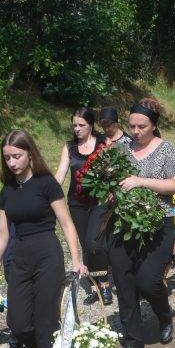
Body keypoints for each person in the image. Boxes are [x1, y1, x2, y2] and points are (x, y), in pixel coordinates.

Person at [0, 130, 87, 348]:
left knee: (45, 323)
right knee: (18, 323)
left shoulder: (46, 185)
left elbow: (66, 224)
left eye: (17, 156)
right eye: (7, 158)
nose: (12, 162)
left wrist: (76, 260)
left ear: (30, 154)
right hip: (19, 258)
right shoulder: (7, 190)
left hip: (46, 256)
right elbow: (2, 234)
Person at [109, 98, 175, 348]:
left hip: (158, 221)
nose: (136, 131)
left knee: (149, 280)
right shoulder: (121, 147)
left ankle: (164, 316)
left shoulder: (166, 149)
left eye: (141, 126)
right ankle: (133, 338)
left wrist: (140, 181)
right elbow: (111, 178)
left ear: (153, 126)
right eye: (132, 126)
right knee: (124, 279)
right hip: (123, 222)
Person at [54, 108, 112, 304]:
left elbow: (114, 170)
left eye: (81, 125)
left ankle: (104, 284)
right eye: (75, 125)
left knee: (93, 242)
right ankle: (95, 285)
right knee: (86, 246)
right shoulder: (69, 147)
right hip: (76, 202)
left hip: (100, 200)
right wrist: (46, 193)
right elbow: (60, 175)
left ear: (91, 125)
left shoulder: (103, 144)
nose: (77, 129)